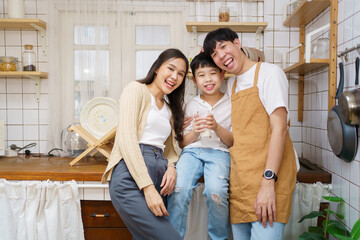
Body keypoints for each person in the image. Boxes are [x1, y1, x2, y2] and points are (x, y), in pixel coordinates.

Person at [203, 28, 297, 240]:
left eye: (223, 47)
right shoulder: (232, 85)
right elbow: (238, 137)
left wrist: (268, 181)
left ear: (237, 43)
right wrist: (215, 127)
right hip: (242, 180)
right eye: (214, 55)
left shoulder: (270, 73)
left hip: (269, 176)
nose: (220, 56)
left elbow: (280, 128)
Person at [101, 48, 189, 240]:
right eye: (171, 69)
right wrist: (147, 187)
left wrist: (172, 167)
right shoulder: (136, 89)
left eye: (181, 74)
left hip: (159, 174)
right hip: (131, 174)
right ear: (157, 68)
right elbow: (127, 139)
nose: (175, 76)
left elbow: (170, 150)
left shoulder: (169, 108)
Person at [167, 52, 233, 240]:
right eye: (201, 75)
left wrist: (217, 127)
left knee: (216, 192)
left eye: (213, 73)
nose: (208, 79)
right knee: (178, 190)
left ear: (222, 75)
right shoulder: (190, 105)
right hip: (192, 152)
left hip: (219, 152)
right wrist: (195, 131)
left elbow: (232, 142)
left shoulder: (232, 104)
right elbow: (183, 143)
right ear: (195, 81)